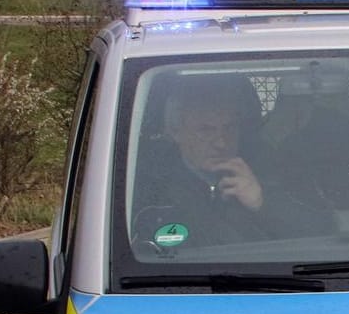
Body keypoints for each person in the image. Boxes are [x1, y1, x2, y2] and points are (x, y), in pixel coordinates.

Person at [130, 72, 327, 248]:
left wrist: (263, 202)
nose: (221, 142)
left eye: (230, 128)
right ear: (175, 131)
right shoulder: (147, 185)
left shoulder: (275, 168)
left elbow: (324, 233)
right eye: (206, 130)